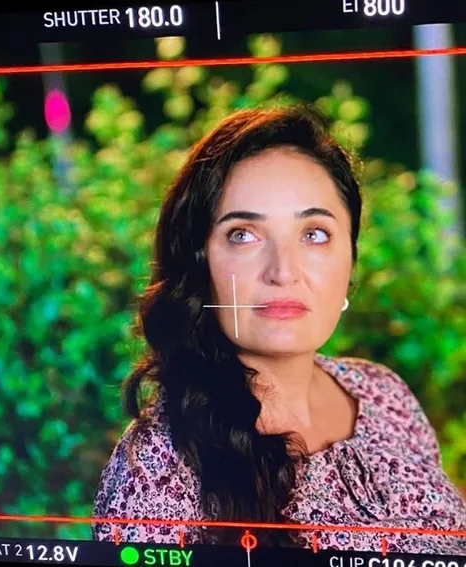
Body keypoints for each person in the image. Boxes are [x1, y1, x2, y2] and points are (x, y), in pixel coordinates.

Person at [91, 105, 466, 554]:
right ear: (199, 263)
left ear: (351, 258)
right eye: (243, 234)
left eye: (315, 234)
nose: (283, 272)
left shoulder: (384, 393)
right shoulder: (158, 467)